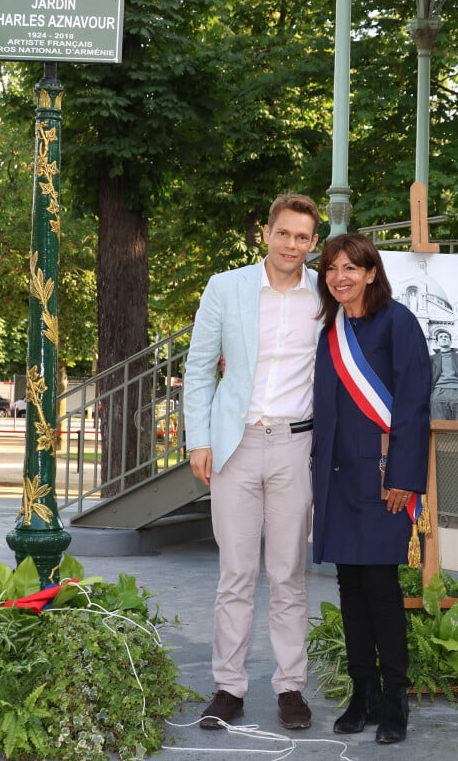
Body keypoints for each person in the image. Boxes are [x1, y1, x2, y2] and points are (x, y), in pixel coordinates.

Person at [184, 193, 320, 730]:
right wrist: (200, 439)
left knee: (288, 574)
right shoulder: (226, 287)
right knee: (236, 574)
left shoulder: (324, 296)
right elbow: (199, 369)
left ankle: (290, 687)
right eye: (284, 233)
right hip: (236, 444)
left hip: (296, 445)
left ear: (314, 242)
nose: (292, 244)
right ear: (266, 233)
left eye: (303, 237)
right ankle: (228, 688)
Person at [311, 234, 431, 744]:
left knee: (381, 589)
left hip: (384, 479)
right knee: (349, 588)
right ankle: (364, 695)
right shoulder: (329, 330)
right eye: (333, 268)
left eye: (351, 268)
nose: (341, 276)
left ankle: (396, 701)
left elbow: (413, 401)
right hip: (338, 478)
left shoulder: (398, 322)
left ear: (371, 273)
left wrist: (405, 476)